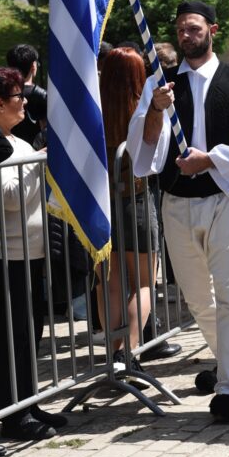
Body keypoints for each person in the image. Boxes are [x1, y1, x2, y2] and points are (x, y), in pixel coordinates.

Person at [126, 0, 229, 423]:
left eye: (194, 28)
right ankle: (223, 358)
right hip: (176, 202)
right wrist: (155, 108)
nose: (187, 36)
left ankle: (228, 384)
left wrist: (210, 160)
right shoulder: (163, 84)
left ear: (212, 29)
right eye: (181, 30)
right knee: (195, 296)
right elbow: (142, 147)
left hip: (224, 197)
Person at [0, 67, 68, 441]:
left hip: (33, 254)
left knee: (33, 332)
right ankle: (13, 413)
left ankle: (28, 401)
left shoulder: (17, 141)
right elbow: (9, 199)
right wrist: (37, 166)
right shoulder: (1, 144)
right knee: (14, 338)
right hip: (8, 256)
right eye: (16, 97)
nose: (24, 102)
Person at [98, 48, 165, 376]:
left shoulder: (92, 109)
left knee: (109, 283)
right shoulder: (144, 110)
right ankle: (130, 351)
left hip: (101, 205)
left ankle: (113, 353)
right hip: (136, 200)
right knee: (143, 283)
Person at [6, 44, 47, 147]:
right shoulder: (42, 95)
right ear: (33, 66)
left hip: (8, 150)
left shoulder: (4, 93)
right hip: (35, 154)